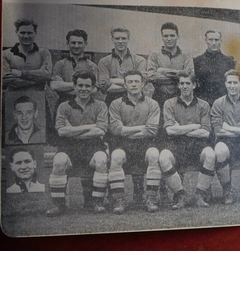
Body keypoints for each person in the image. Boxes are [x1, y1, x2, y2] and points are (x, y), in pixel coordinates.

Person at [46, 71, 109, 216]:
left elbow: (100, 131)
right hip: (69, 149)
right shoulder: (63, 106)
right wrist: (90, 126)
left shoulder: (101, 106)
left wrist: (72, 131)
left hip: (93, 147)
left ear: (93, 88)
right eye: (80, 85)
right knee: (59, 161)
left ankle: (97, 202)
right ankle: (58, 205)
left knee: (101, 159)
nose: (83, 89)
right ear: (74, 87)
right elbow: (61, 131)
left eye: (88, 86)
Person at [159, 73, 216, 209]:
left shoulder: (203, 105)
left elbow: (206, 132)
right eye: (182, 83)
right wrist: (194, 126)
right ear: (178, 85)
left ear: (194, 85)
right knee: (163, 157)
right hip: (176, 146)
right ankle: (180, 195)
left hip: (198, 146)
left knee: (210, 154)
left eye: (188, 83)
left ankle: (200, 195)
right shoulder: (169, 104)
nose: (185, 86)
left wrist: (180, 128)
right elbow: (170, 130)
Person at [107, 70, 161, 214]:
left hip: (145, 144)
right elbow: (116, 130)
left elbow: (152, 130)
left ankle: (151, 198)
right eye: (130, 82)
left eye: (137, 81)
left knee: (154, 154)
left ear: (143, 84)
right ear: (124, 85)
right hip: (124, 145)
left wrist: (127, 130)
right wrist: (142, 128)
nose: (133, 84)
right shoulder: (115, 104)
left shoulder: (153, 104)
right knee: (116, 156)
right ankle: (119, 200)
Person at [210, 69, 240, 204]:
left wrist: (229, 127)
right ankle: (227, 191)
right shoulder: (218, 103)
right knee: (219, 150)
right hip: (226, 141)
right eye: (229, 82)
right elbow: (218, 131)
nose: (232, 86)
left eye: (235, 83)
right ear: (225, 84)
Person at [146, 22, 194, 108]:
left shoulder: (186, 55)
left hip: (180, 96)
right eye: (166, 36)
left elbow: (189, 76)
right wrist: (179, 74)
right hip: (159, 96)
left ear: (178, 37)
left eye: (172, 36)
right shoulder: (154, 54)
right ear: (162, 37)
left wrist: (162, 71)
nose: (169, 39)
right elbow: (151, 76)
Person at [98, 27, 147, 107]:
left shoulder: (139, 60)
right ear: (112, 39)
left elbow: (141, 83)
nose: (120, 41)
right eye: (117, 38)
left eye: (123, 38)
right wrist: (131, 84)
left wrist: (113, 80)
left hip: (135, 102)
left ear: (128, 39)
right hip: (111, 101)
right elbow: (104, 87)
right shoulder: (104, 61)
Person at [50, 29, 99, 106]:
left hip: (86, 105)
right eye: (73, 43)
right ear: (67, 43)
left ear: (85, 43)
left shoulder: (92, 66)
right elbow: (54, 86)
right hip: (63, 104)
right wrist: (83, 86)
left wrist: (64, 86)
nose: (76, 46)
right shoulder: (59, 64)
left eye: (80, 43)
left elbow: (94, 89)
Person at [2, 18, 52, 92]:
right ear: (16, 32)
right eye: (22, 32)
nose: (26, 36)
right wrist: (37, 80)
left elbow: (46, 75)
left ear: (35, 33)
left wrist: (21, 73)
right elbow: (6, 80)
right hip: (13, 99)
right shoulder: (6, 54)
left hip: (38, 98)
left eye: (29, 33)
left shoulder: (44, 53)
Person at [193, 30, 236, 107]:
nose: (214, 43)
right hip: (203, 102)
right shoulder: (197, 61)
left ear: (220, 41)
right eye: (210, 40)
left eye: (216, 40)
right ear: (206, 40)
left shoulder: (229, 61)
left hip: (223, 102)